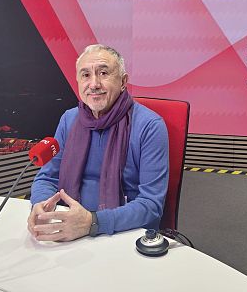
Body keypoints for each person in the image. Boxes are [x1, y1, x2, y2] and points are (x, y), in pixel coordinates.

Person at [27, 44, 169, 242]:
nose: (94, 84)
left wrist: (92, 222)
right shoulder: (69, 120)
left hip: (123, 233)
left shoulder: (150, 126)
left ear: (123, 81)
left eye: (103, 73)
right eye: (85, 75)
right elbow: (47, 178)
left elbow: (151, 205)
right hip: (69, 226)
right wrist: (41, 205)